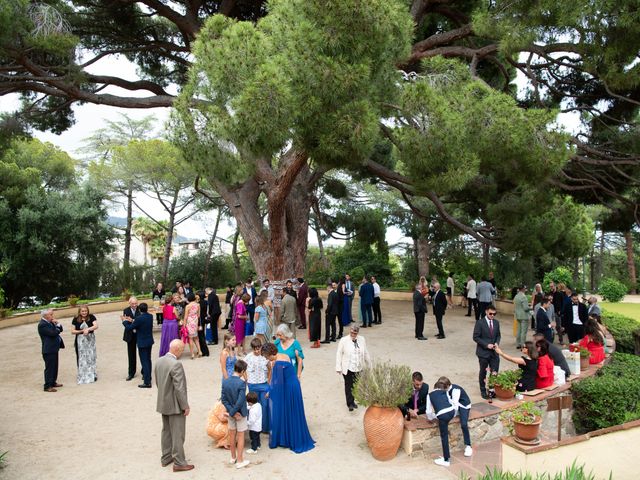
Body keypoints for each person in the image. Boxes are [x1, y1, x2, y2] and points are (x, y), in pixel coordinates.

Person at [262, 343, 315, 453]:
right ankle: (291, 437)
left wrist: (269, 392)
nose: (267, 359)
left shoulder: (277, 363)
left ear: (270, 354)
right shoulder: (284, 355)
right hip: (294, 386)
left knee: (289, 412)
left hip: (289, 389)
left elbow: (278, 383)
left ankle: (289, 439)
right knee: (294, 413)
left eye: (267, 356)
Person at [154, 339, 193, 471]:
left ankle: (166, 457)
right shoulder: (176, 364)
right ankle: (179, 462)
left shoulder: (159, 361)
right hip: (175, 404)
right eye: (182, 350)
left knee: (166, 431)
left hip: (163, 402)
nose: (182, 352)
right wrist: (185, 406)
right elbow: (179, 388)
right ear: (177, 349)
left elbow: (159, 383)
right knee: (178, 433)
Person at [426, 378, 466, 467]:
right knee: (443, 420)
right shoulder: (445, 392)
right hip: (451, 412)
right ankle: (445, 458)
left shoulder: (429, 395)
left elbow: (428, 411)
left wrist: (431, 417)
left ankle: (446, 460)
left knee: (444, 437)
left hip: (442, 416)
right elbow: (451, 402)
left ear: (434, 388)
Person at [221, 359, 250, 469]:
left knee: (232, 435)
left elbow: (223, 399)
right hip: (239, 413)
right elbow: (241, 400)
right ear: (242, 371)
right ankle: (240, 460)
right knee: (241, 436)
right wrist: (234, 413)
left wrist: (230, 412)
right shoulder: (242, 383)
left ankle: (233, 457)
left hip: (230, 412)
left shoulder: (226, 381)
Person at [335, 325, 371, 411]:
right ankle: (349, 403)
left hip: (358, 367)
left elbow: (365, 352)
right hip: (348, 367)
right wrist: (338, 367)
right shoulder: (344, 340)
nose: (353, 334)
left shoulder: (362, 339)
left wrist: (369, 364)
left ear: (357, 333)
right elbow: (339, 353)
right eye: (351, 332)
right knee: (348, 385)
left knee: (355, 385)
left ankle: (353, 401)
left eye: (355, 333)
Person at [123, 302, 154, 388]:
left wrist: (124, 321)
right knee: (148, 360)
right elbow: (139, 323)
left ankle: (147, 382)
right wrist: (133, 320)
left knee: (144, 362)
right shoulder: (150, 316)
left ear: (139, 310)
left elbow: (129, 328)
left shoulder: (139, 319)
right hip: (149, 341)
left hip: (142, 342)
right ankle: (149, 377)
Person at [473, 306, 501, 399]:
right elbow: (476, 337)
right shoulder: (480, 323)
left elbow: (498, 335)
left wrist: (497, 343)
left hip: (494, 352)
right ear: (486, 312)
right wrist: (486, 345)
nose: (492, 315)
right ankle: (483, 390)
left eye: (494, 314)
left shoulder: (496, 323)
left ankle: (492, 389)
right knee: (483, 372)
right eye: (490, 313)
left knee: (494, 371)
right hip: (483, 352)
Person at [443, 377, 473, 458]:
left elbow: (455, 406)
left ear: (448, 385)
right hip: (454, 404)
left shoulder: (456, 390)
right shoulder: (445, 389)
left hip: (463, 406)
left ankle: (468, 445)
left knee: (463, 424)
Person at [246, 337, 270, 433]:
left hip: (263, 384)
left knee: (264, 405)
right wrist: (247, 378)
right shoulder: (248, 357)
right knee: (254, 406)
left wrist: (269, 380)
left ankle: (265, 427)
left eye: (258, 348)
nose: (257, 351)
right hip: (252, 384)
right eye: (255, 349)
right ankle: (254, 428)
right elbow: (242, 367)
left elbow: (270, 368)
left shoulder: (265, 356)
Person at [38, 308, 64, 392]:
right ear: (45, 315)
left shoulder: (49, 322)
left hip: (54, 348)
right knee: (49, 368)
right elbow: (53, 333)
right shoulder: (42, 324)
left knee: (55, 366)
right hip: (48, 350)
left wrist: (57, 324)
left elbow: (60, 329)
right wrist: (57, 328)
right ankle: (47, 386)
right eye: (51, 315)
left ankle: (53, 382)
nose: (52, 316)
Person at [71, 305, 98, 384]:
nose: (84, 312)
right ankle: (82, 373)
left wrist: (88, 329)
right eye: (82, 311)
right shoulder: (75, 319)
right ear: (79, 311)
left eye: (85, 311)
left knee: (91, 356)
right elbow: (72, 331)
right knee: (81, 357)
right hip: (80, 341)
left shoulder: (91, 317)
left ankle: (92, 373)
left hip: (90, 340)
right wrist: (82, 331)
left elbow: (96, 326)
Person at [122, 296, 139, 381]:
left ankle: (144, 372)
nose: (134, 305)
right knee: (131, 355)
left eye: (136, 303)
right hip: (130, 335)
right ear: (129, 303)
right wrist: (133, 323)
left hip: (140, 335)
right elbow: (125, 323)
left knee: (142, 354)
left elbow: (141, 321)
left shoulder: (140, 309)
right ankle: (131, 373)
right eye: (132, 304)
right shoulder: (126, 310)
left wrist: (132, 320)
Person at [182, 293, 202, 359]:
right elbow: (199, 315)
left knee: (190, 338)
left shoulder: (187, 306)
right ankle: (200, 351)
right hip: (195, 321)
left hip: (189, 321)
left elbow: (185, 317)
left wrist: (184, 325)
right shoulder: (198, 305)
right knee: (196, 338)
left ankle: (192, 354)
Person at [196, 291, 210, 357]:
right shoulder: (205, 302)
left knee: (201, 336)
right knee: (202, 335)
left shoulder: (198, 303)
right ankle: (203, 351)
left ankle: (205, 351)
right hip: (203, 320)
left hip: (200, 320)